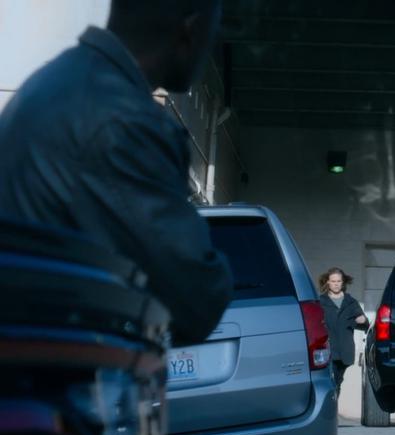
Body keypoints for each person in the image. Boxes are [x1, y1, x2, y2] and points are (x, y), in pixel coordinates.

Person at [0, 0, 232, 347]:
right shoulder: (124, 123)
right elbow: (195, 300)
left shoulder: (55, 83)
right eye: (215, 31)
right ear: (192, 28)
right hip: (56, 384)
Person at [319, 267, 369, 395]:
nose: (336, 284)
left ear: (343, 283)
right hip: (328, 349)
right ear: (328, 282)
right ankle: (332, 408)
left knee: (338, 380)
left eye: (339, 281)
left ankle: (333, 406)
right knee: (332, 380)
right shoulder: (321, 302)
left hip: (345, 350)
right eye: (333, 281)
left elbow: (365, 325)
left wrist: (362, 320)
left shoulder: (351, 302)